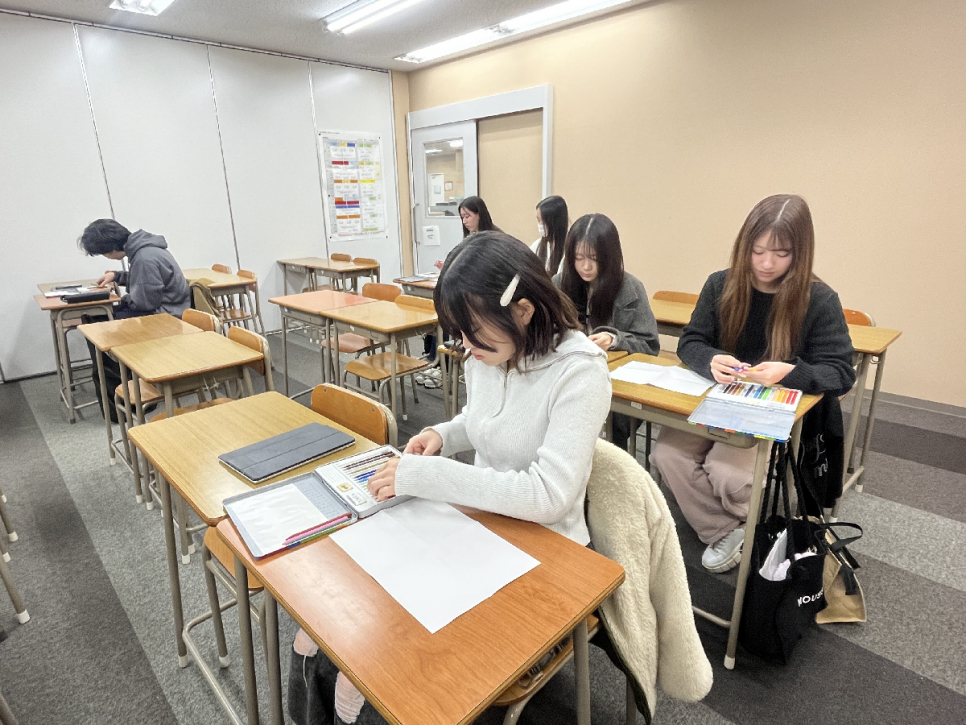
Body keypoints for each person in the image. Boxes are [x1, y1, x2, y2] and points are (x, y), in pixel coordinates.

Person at [288, 232, 612, 725]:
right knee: (323, 633)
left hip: (547, 552)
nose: (465, 346)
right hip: (481, 528)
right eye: (458, 333)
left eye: (473, 333)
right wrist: (442, 434)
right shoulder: (490, 351)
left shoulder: (580, 371)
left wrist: (433, 476)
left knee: (379, 672)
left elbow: (549, 495)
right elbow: (483, 420)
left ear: (524, 311)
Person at [651, 194, 855, 573]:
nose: (765, 263)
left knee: (726, 472)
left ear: (801, 252)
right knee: (666, 455)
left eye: (780, 253)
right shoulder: (721, 284)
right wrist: (709, 359)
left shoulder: (818, 300)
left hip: (770, 412)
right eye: (757, 251)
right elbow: (691, 341)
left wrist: (788, 373)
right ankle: (732, 530)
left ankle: (732, 524)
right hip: (718, 398)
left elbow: (841, 372)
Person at [553, 213, 659, 450]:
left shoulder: (630, 288)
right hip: (567, 379)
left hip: (614, 386)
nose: (586, 266)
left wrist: (615, 339)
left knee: (605, 438)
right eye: (578, 258)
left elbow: (649, 346)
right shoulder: (559, 284)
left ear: (610, 256)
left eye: (594, 258)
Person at [77, 219, 190, 421]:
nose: (106, 257)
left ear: (112, 249)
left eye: (104, 253)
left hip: (165, 318)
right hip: (162, 310)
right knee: (98, 323)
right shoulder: (145, 249)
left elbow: (144, 302)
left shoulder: (144, 257)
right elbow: (144, 280)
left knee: (103, 334)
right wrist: (117, 276)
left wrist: (122, 300)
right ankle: (125, 394)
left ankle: (126, 403)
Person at [531, 195, 569, 274]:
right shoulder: (537, 245)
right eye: (538, 220)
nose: (540, 225)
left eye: (542, 221)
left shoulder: (568, 248)